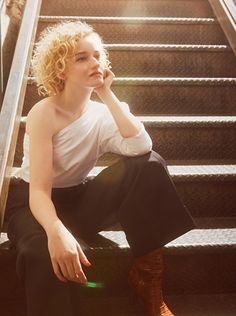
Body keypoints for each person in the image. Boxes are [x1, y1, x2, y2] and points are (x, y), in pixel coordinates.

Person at [7, 21, 195, 316]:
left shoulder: (102, 112)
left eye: (97, 55)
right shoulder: (44, 113)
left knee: (149, 165)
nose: (94, 62)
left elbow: (141, 147)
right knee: (43, 252)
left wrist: (107, 94)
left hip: (77, 201)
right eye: (82, 57)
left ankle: (147, 277)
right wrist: (57, 233)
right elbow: (40, 192)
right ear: (60, 69)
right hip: (33, 204)